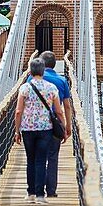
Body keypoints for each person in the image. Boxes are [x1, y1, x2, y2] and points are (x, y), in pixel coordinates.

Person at [14, 58, 66, 204]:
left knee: (30, 160)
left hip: (28, 129)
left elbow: (18, 111)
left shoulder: (24, 88)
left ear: (30, 71)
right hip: (45, 129)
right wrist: (63, 128)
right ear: (43, 71)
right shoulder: (51, 88)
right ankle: (40, 195)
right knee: (41, 160)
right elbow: (59, 112)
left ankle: (30, 193)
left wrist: (17, 131)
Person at [38, 51, 72, 198]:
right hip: (55, 124)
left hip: (37, 124)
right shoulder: (62, 80)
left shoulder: (31, 80)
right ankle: (51, 190)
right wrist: (67, 126)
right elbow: (67, 106)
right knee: (52, 157)